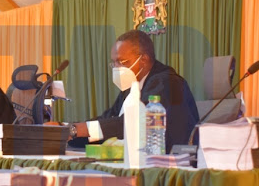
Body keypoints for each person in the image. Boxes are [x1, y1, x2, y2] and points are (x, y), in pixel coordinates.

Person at [67, 29, 199, 152]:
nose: (117, 68)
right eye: (114, 63)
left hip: (168, 165)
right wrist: (67, 132)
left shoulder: (168, 82)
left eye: (122, 62)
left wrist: (77, 130)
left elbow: (134, 123)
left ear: (143, 60)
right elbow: (109, 119)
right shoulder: (132, 85)